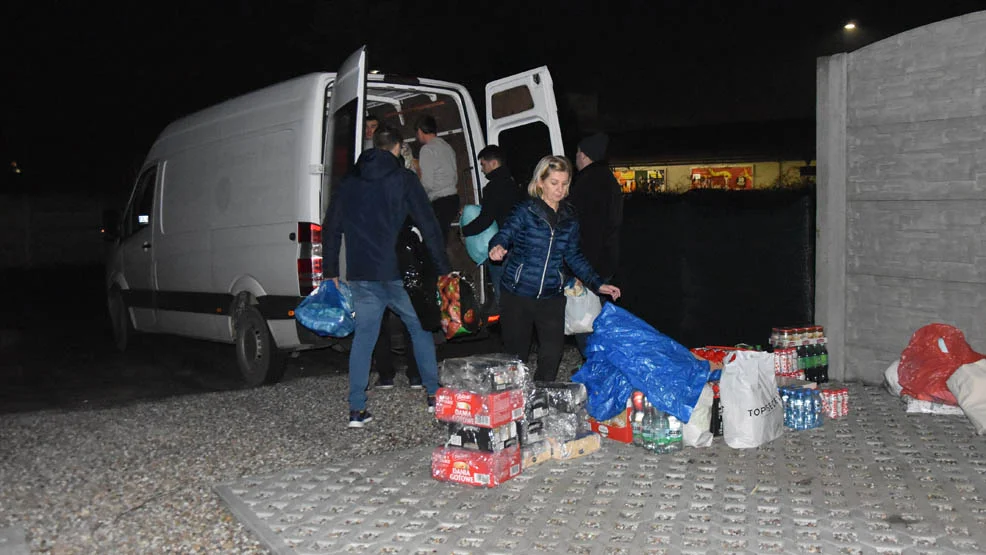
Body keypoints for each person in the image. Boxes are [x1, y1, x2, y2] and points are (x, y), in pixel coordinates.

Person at [322, 124, 451, 427]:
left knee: (364, 338)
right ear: (396, 147)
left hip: (362, 273)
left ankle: (357, 410)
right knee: (419, 329)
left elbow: (332, 229)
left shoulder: (349, 182)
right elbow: (429, 224)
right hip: (397, 273)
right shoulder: (403, 179)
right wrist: (444, 269)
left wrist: (330, 272)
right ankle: (433, 396)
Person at [488, 155, 621, 382]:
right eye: (554, 183)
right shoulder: (525, 210)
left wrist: (598, 283)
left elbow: (573, 255)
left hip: (551, 296)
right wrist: (497, 246)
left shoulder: (569, 217)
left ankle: (540, 399)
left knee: (551, 354)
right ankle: (513, 403)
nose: (560, 189)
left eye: (564, 183)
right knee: (516, 358)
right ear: (540, 182)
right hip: (518, 294)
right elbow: (505, 233)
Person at [569, 132, 624, 357]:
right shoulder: (608, 179)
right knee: (598, 316)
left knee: (585, 319)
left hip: (590, 262)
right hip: (607, 258)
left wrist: (582, 269)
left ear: (584, 155)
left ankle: (593, 362)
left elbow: (589, 229)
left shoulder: (587, 183)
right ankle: (600, 361)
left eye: (577, 153)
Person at [460, 145, 523, 307]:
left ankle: (509, 327)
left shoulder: (493, 187)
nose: (482, 169)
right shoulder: (513, 182)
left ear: (494, 163)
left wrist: (465, 231)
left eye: (483, 164)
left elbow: (486, 219)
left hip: (501, 247)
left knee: (502, 294)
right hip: (519, 243)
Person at [415, 115, 459, 246]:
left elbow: (427, 183)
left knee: (432, 245)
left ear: (420, 131)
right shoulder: (447, 147)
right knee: (441, 243)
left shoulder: (427, 149)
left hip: (440, 202)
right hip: (453, 200)